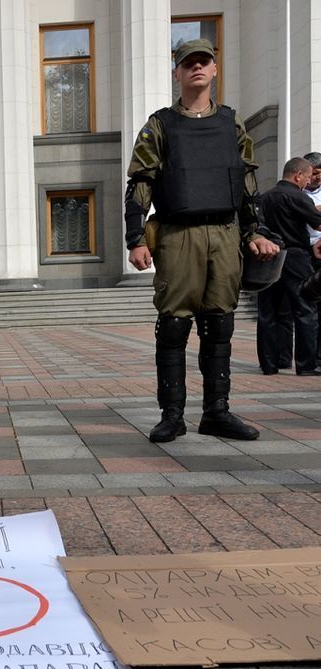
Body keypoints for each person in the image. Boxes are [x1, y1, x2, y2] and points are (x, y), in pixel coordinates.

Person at [125, 39, 278, 443]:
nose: (196, 67)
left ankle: (217, 413)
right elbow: (140, 182)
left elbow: (246, 182)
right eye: (188, 62)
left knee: (220, 324)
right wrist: (135, 238)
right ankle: (172, 416)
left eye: (203, 61)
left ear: (214, 69)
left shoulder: (233, 122)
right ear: (177, 72)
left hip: (225, 234)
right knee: (174, 326)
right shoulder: (160, 124)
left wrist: (255, 231)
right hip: (178, 234)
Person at [256, 157, 321, 375]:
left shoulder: (264, 198)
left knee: (268, 312)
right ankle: (306, 365)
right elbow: (317, 222)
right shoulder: (298, 196)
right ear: (298, 175)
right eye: (309, 176)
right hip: (295, 257)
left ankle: (269, 364)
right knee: (305, 309)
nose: (309, 181)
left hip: (269, 257)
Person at [303, 152, 321, 366]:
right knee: (309, 308)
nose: (316, 178)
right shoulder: (297, 193)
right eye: (314, 174)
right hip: (307, 252)